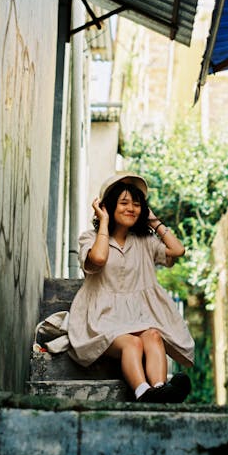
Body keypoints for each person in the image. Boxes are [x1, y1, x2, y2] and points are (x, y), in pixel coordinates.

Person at [68, 172, 194, 403]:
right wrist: (104, 222)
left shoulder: (145, 242)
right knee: (133, 343)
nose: (132, 209)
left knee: (154, 335)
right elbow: (97, 259)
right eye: (124, 203)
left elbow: (177, 251)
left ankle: (159, 389)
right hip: (102, 320)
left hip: (138, 316)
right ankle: (142, 392)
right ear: (108, 207)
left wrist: (154, 222)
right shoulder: (91, 238)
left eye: (137, 204)